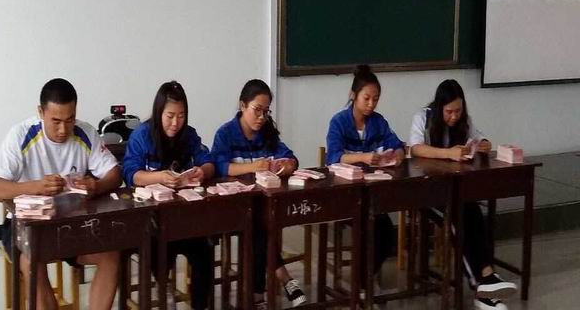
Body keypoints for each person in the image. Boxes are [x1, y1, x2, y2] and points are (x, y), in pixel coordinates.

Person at [0, 78, 121, 310]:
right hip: (26, 225)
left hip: (73, 222)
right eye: (56, 121)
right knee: (32, 262)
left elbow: (114, 174)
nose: (63, 130)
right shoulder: (21, 135)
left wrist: (96, 186)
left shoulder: (85, 133)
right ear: (41, 112)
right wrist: (36, 187)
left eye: (70, 120)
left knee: (111, 255)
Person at [409, 79, 517, 310]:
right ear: (439, 107)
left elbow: (479, 138)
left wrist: (484, 144)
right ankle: (480, 286)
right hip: (429, 193)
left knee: (474, 213)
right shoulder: (423, 118)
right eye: (449, 112)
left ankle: (487, 276)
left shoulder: (464, 121)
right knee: (458, 219)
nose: (454, 117)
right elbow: (415, 148)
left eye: (458, 111)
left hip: (457, 190)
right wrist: (448, 153)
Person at [211, 79, 306, 309]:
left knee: (260, 228)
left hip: (264, 205)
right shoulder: (225, 133)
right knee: (258, 229)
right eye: (257, 110)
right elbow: (219, 167)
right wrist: (254, 167)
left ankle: (261, 294)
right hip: (234, 207)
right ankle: (280, 280)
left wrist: (289, 164)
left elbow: (290, 156)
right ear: (243, 105)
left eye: (266, 111)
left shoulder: (267, 133)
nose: (261, 117)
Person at [123, 81, 213, 310]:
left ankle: (200, 305)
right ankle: (163, 291)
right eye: (170, 116)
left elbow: (208, 161)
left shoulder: (188, 135)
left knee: (204, 249)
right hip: (151, 216)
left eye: (181, 116)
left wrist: (202, 171)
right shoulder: (142, 135)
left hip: (183, 215)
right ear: (159, 112)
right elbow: (131, 174)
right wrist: (159, 177)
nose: (175, 123)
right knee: (158, 244)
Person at [325, 64, 405, 288]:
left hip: (373, 194)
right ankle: (361, 284)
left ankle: (364, 278)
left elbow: (397, 145)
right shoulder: (339, 122)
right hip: (345, 194)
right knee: (368, 227)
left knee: (385, 232)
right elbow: (333, 157)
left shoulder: (378, 122)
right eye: (366, 98)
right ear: (353, 95)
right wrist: (363, 157)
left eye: (375, 99)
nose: (371, 104)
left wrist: (397, 155)